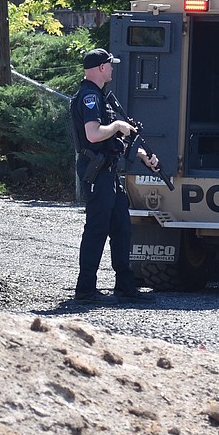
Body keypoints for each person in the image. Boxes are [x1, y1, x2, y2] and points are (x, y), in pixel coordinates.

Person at [70, 48, 159, 305]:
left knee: (122, 228)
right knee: (97, 229)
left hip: (109, 172)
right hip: (97, 173)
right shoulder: (89, 96)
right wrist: (119, 126)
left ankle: (125, 287)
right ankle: (85, 289)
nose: (112, 69)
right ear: (100, 68)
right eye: (110, 65)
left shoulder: (101, 96)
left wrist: (143, 155)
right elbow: (94, 134)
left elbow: (113, 139)